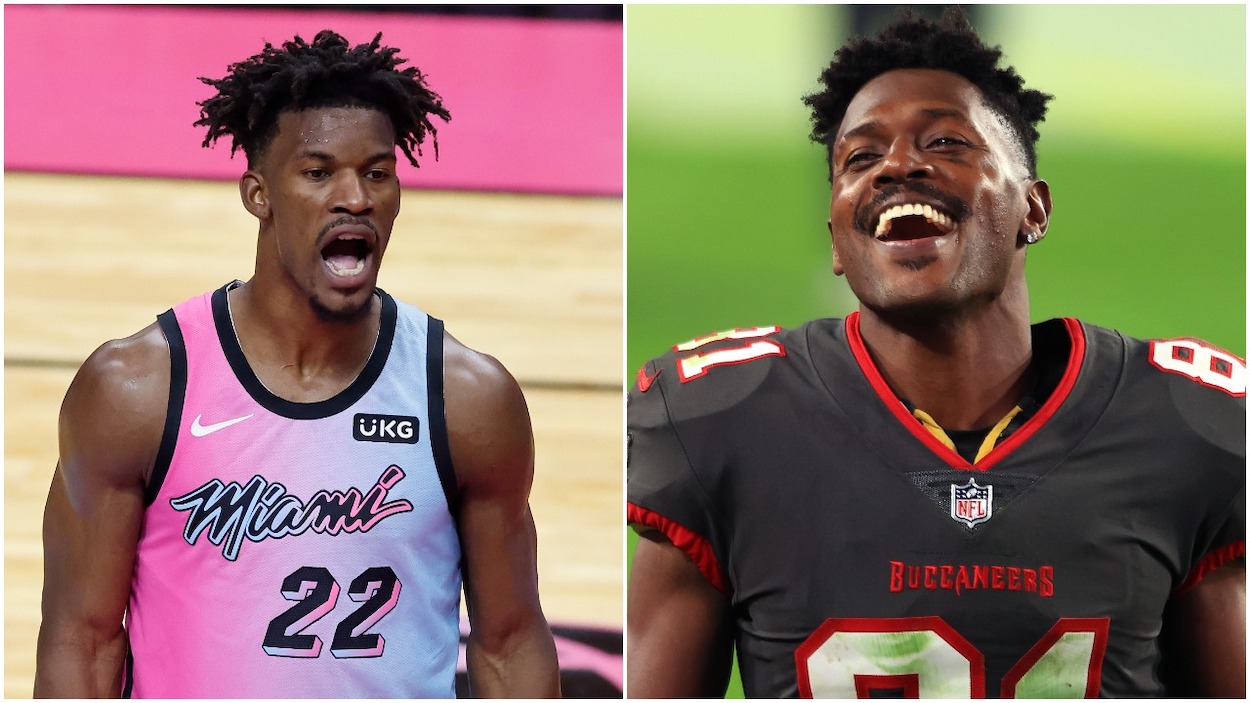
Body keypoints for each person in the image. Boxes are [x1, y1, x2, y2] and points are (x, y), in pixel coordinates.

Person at [627, 8, 1244, 698]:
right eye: (860, 157)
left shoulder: (1185, 426)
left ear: (1033, 210)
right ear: (836, 236)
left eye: (946, 142)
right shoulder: (721, 422)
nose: (898, 164)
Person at [35, 30, 560, 698]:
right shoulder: (135, 390)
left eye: (377, 172)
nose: (356, 198)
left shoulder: (468, 400)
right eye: (319, 173)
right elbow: (82, 640)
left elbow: (510, 642)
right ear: (259, 194)